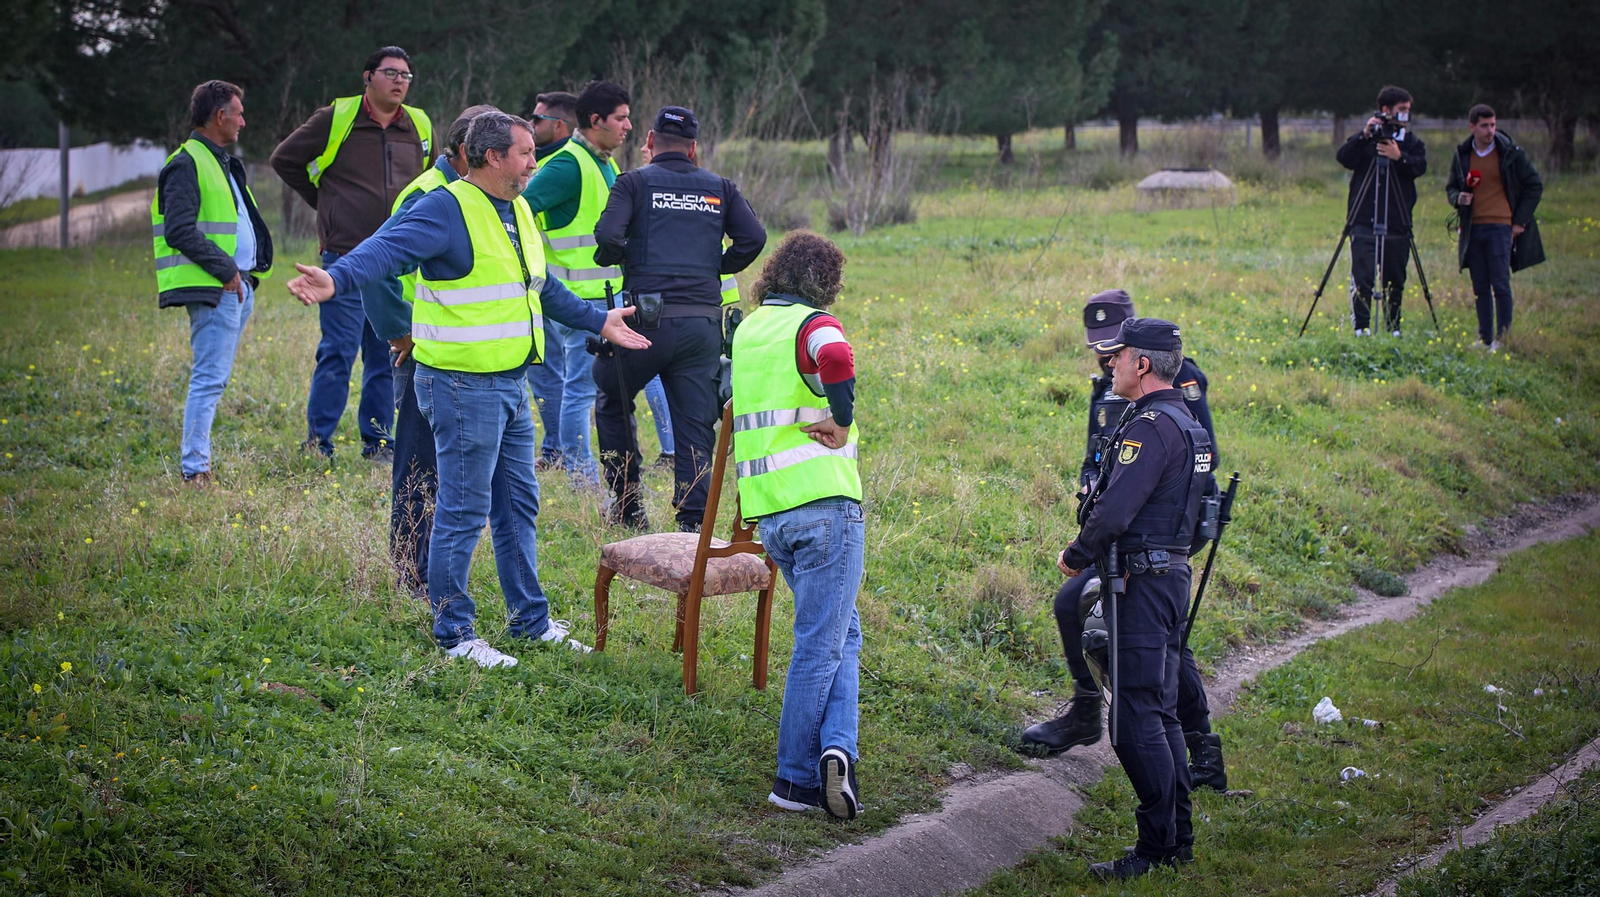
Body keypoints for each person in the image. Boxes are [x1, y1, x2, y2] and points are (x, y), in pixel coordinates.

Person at [285, 112, 651, 669]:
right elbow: (385, 250)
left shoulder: (519, 209)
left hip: (508, 382)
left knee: (517, 506)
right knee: (463, 508)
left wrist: (597, 320)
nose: (535, 162)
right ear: (490, 158)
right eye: (526, 153)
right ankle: (454, 632)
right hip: (460, 386)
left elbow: (540, 285)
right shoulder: (444, 206)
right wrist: (337, 279)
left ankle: (530, 621)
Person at [1022, 291, 1227, 796]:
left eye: (1112, 347)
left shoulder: (1174, 382)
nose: (1104, 356)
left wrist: (1114, 521)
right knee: (1074, 605)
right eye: (1099, 347)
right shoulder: (1111, 382)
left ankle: (1199, 750)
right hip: (1123, 529)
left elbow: (1200, 458)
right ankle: (1087, 712)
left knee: (1164, 650)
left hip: (1159, 531)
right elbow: (1101, 453)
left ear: (1137, 350)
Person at [1057, 318, 1213, 879]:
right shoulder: (1189, 423)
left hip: (1143, 583)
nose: (1112, 364)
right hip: (1168, 576)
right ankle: (1176, 843)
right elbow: (1203, 516)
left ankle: (1155, 850)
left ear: (1141, 364)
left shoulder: (1149, 427)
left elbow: (1117, 508)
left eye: (1119, 355)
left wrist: (1077, 552)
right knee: (1158, 711)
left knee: (1132, 721)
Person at [730, 231, 864, 820]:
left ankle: (838, 749)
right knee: (819, 642)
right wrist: (842, 416)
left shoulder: (750, 329)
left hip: (773, 515)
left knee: (841, 634)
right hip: (825, 505)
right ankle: (796, 780)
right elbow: (835, 358)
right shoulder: (814, 324)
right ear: (823, 283)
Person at [592, 105, 766, 532]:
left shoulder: (632, 182)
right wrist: (715, 265)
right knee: (694, 423)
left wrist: (630, 259)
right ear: (693, 148)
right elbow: (754, 238)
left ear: (649, 142)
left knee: (613, 400)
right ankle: (692, 522)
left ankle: (628, 506)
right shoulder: (719, 187)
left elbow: (608, 236)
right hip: (699, 326)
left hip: (642, 322)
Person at [360, 104, 497, 598]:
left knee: (451, 473)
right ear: (467, 152)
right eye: (495, 152)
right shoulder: (428, 195)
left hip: (467, 357)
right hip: (424, 354)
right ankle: (411, 575)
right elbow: (376, 266)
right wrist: (399, 333)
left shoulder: (478, 195)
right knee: (420, 466)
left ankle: (434, 567)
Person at [270, 46, 433, 462]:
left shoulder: (419, 125)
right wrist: (325, 203)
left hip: (396, 262)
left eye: (406, 76)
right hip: (343, 257)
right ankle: (318, 443)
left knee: (387, 351)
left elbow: (430, 184)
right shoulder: (335, 118)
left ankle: (378, 441)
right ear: (368, 77)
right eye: (391, 73)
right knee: (338, 351)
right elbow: (284, 159)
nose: (399, 81)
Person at [151, 80, 274, 488]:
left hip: (236, 287)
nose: (243, 121)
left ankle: (197, 463)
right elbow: (179, 230)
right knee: (209, 378)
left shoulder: (219, 161)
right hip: (216, 288)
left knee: (214, 378)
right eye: (238, 113)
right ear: (220, 116)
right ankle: (194, 469)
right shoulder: (187, 163)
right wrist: (227, 271)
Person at [520, 80, 631, 487]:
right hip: (579, 300)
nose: (628, 126)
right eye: (620, 118)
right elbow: (517, 208)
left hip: (602, 296)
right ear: (596, 120)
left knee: (592, 390)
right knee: (580, 391)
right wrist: (535, 265)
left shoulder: (603, 161)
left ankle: (590, 472)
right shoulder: (567, 165)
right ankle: (581, 479)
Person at [1446, 104, 1545, 351]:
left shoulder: (1510, 152)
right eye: (1485, 126)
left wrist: (1519, 221)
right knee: (1480, 285)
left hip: (1501, 226)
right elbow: (1451, 187)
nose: (1490, 130)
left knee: (1500, 283)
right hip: (1473, 228)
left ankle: (1503, 339)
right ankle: (1485, 339)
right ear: (1473, 127)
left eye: (1493, 124)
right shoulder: (1462, 155)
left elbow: (1534, 185)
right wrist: (1459, 197)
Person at [1336, 85, 1426, 337]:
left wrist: (1400, 157)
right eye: (1402, 110)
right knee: (1363, 276)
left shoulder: (1411, 142)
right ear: (1386, 110)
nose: (1406, 116)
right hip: (1364, 218)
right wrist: (1364, 135)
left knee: (1394, 278)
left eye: (1408, 111)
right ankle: (1361, 327)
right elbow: (1344, 158)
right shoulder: (1369, 140)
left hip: (1397, 221)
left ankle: (1393, 326)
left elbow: (1420, 167)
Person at [526, 90, 578, 470]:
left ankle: (556, 450)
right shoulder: (575, 161)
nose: (532, 124)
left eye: (538, 119)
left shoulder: (559, 166)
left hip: (553, 286)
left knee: (546, 371)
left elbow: (512, 208)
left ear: (559, 125)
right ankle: (556, 447)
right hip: (563, 285)